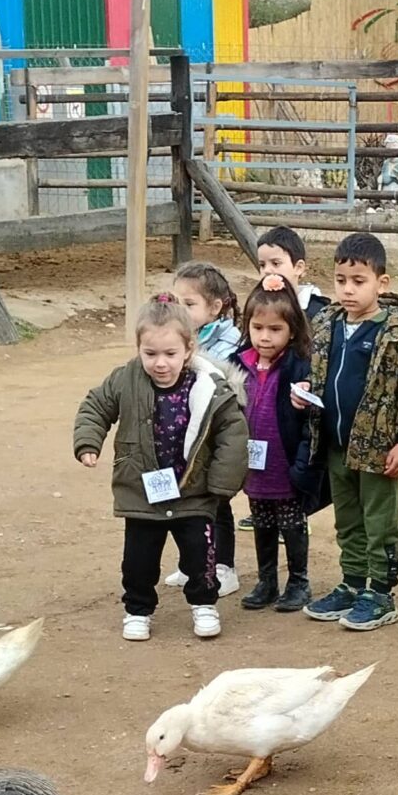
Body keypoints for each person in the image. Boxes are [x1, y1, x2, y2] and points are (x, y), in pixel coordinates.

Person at [72, 294, 248, 641]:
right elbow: (96, 406)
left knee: (201, 556)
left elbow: (234, 431)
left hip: (193, 491)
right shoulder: (125, 379)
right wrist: (88, 442)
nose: (160, 363)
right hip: (142, 491)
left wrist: (222, 481)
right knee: (138, 561)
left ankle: (204, 604)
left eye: (170, 353)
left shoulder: (209, 386)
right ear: (138, 348)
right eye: (150, 353)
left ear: (189, 349)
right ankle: (137, 610)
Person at [299, 233, 398, 632]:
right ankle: (352, 583)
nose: (348, 290)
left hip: (378, 448)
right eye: (341, 280)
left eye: (358, 281)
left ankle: (381, 592)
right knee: (348, 519)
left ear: (381, 283)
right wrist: (305, 390)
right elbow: (319, 373)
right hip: (336, 443)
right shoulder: (327, 323)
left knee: (379, 521)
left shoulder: (396, 330)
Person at [233, 274, 319, 614]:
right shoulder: (238, 364)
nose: (265, 337)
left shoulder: (300, 366)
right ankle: (266, 581)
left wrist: (307, 396)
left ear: (292, 330)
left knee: (291, 523)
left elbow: (313, 412)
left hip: (286, 462)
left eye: (275, 329)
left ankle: (298, 582)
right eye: (257, 328)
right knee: (262, 520)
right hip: (254, 465)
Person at [171, 261, 247, 591]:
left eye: (189, 304)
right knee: (185, 503)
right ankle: (192, 563)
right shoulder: (176, 337)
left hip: (215, 436)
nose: (180, 311)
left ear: (215, 307)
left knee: (218, 503)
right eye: (176, 303)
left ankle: (224, 567)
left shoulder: (229, 343)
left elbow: (227, 387)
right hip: (184, 432)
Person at [254, 227, 332, 326]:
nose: (267, 270)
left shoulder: (317, 312)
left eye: (276, 263)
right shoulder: (257, 304)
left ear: (298, 268)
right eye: (262, 265)